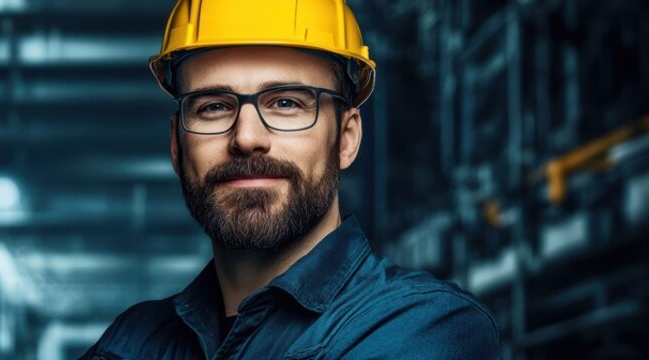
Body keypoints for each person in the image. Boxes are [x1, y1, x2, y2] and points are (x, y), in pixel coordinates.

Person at [82, 0, 500, 358]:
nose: (246, 137)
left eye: (285, 103)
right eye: (213, 107)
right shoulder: (131, 340)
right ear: (176, 143)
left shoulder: (424, 328)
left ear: (347, 139)